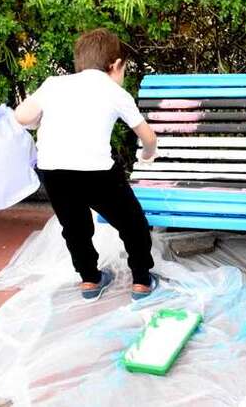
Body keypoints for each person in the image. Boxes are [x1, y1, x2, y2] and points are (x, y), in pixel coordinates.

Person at [14, 28, 160, 302]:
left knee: (75, 228)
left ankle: (90, 280)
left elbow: (21, 116)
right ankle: (141, 281)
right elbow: (148, 138)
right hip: (97, 172)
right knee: (133, 224)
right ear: (116, 65)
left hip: (54, 170)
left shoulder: (53, 84)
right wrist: (147, 156)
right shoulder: (115, 92)